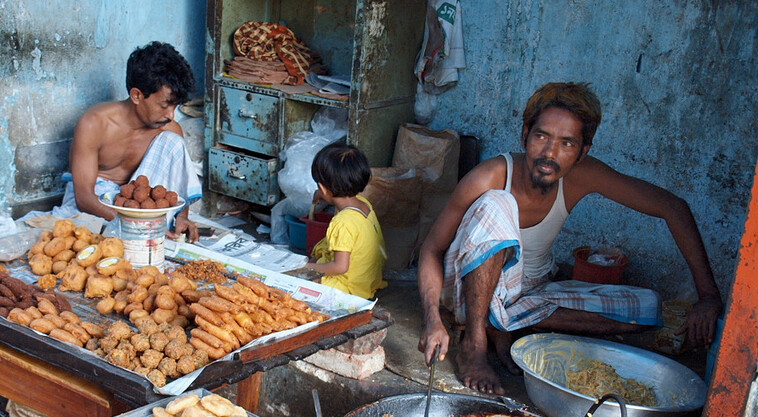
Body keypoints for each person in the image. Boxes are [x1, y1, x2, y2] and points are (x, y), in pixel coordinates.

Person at [418, 82, 722, 395]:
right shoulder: (490, 175)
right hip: (468, 291)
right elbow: (431, 249)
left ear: (581, 152)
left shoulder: (582, 175)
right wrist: (432, 320)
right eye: (541, 137)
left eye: (566, 143)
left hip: (528, 292)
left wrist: (708, 295)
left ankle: (507, 325)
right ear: (525, 134)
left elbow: (672, 207)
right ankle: (476, 343)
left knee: (648, 306)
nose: (550, 153)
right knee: (498, 202)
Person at [53, 41, 201, 241]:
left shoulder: (168, 130)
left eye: (175, 106)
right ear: (137, 95)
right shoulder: (94, 123)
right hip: (96, 207)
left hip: (137, 207)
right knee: (82, 237)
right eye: (165, 105)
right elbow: (84, 198)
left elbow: (176, 187)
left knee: (173, 140)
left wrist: (181, 217)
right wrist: (133, 224)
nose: (171, 115)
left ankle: (149, 229)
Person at [306, 143, 387, 300]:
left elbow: (340, 267)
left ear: (323, 188)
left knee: (299, 282)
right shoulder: (363, 204)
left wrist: (308, 268)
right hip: (366, 279)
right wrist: (322, 194)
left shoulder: (343, 222)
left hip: (350, 289)